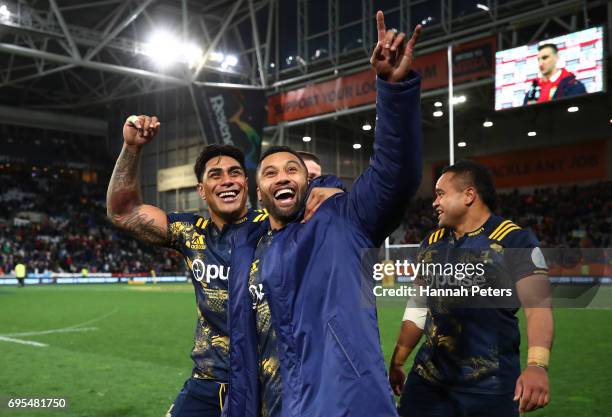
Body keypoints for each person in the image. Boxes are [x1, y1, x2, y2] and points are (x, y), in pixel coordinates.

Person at [225, 11, 422, 417]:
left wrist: (393, 88)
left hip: (348, 404)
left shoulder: (341, 220)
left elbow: (395, 172)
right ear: (258, 191)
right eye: (270, 172)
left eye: (292, 169)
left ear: (307, 182)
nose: (283, 177)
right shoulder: (250, 247)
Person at [106, 122, 339, 417]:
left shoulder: (274, 226)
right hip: (208, 380)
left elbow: (305, 190)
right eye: (215, 175)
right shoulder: (190, 232)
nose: (227, 181)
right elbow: (122, 211)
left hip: (265, 383)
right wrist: (132, 147)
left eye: (235, 173)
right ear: (202, 191)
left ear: (248, 184)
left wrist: (333, 187)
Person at [390, 160, 554, 417]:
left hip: (489, 387)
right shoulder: (430, 244)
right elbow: (418, 309)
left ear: (469, 195)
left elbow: (538, 308)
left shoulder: (514, 240)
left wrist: (537, 365)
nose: (434, 202)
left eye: (441, 194)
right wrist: (399, 360)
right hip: (427, 382)